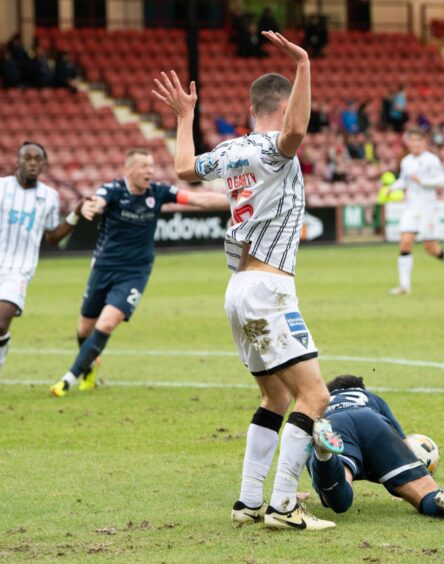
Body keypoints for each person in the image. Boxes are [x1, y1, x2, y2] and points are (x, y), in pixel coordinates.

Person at [152, 31, 344, 531]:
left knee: (275, 398)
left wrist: (184, 117)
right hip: (269, 288)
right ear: (280, 107)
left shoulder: (233, 150)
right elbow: (298, 130)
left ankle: (246, 502)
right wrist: (304, 65)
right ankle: (284, 506)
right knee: (315, 397)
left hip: (237, 289)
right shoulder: (273, 151)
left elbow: (182, 167)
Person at [49, 148, 230, 397]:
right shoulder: (113, 191)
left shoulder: (158, 192)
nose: (149, 171)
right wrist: (90, 207)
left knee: (107, 322)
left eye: (151, 166)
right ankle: (89, 366)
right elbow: (97, 200)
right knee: (84, 329)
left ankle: (68, 379)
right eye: (144, 166)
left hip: (135, 272)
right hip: (103, 267)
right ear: (129, 169)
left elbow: (199, 200)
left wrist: (239, 200)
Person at [0, 142, 81, 403]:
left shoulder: (50, 197)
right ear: (17, 161)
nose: (32, 162)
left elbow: (53, 237)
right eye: (27, 157)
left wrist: (75, 216)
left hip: (19, 270)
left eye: (37, 159)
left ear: (44, 165)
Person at [307, 375, 444, 524]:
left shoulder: (322, 402)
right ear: (360, 389)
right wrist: (409, 477)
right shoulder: (371, 397)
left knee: (339, 500)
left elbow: (298, 446)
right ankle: (441, 498)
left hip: (334, 426)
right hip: (372, 421)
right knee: (425, 494)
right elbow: (403, 441)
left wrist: (288, 493)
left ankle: (325, 455)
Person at [388, 128, 444, 295]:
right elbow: (404, 180)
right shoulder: (406, 161)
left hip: (427, 209)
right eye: (412, 140)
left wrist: (424, 181)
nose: (415, 144)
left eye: (419, 140)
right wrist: (392, 187)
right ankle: (404, 286)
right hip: (411, 207)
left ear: (424, 142)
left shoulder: (432, 160)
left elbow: (442, 181)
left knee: (431, 248)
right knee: (405, 242)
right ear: (408, 142)